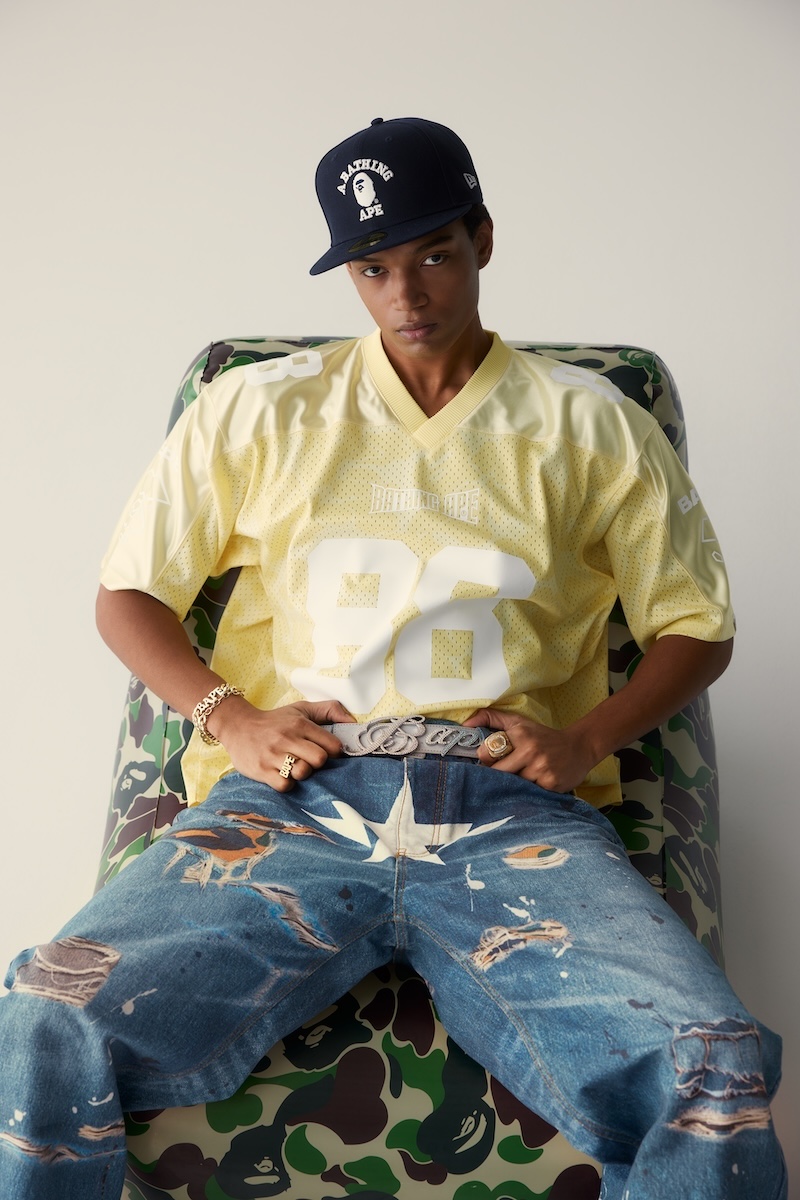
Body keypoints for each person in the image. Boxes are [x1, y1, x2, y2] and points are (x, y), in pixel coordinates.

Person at [0, 117, 786, 1200]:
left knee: (713, 1059)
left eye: (434, 255)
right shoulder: (257, 409)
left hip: (507, 808)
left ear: (483, 241)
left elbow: (696, 624)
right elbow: (128, 596)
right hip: (295, 800)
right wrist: (231, 716)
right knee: (47, 1010)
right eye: (373, 269)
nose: (406, 294)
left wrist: (587, 738)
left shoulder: (590, 423)